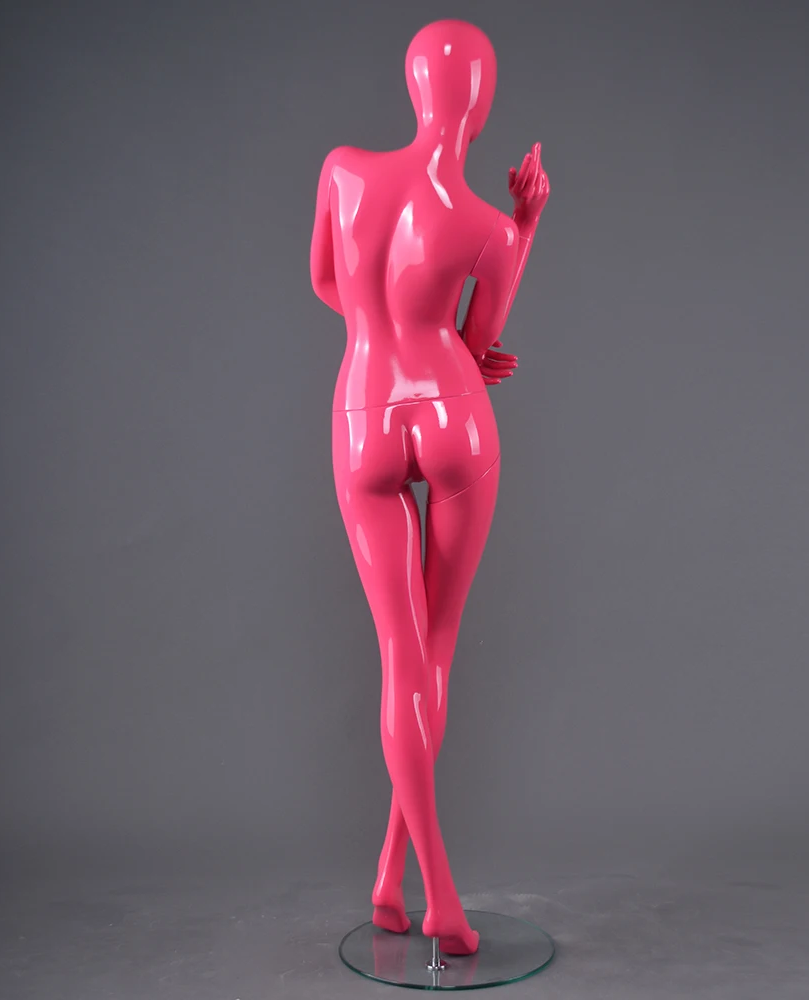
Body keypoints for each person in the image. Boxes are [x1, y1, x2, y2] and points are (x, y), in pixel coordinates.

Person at [309, 18, 550, 955]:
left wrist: (379, 328)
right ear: (480, 110)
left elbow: (326, 282)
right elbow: (482, 341)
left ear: (413, 90)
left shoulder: (343, 173)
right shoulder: (488, 225)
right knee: (433, 649)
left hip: (363, 411)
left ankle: (390, 876)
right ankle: (438, 892)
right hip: (454, 418)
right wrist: (524, 228)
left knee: (400, 657)